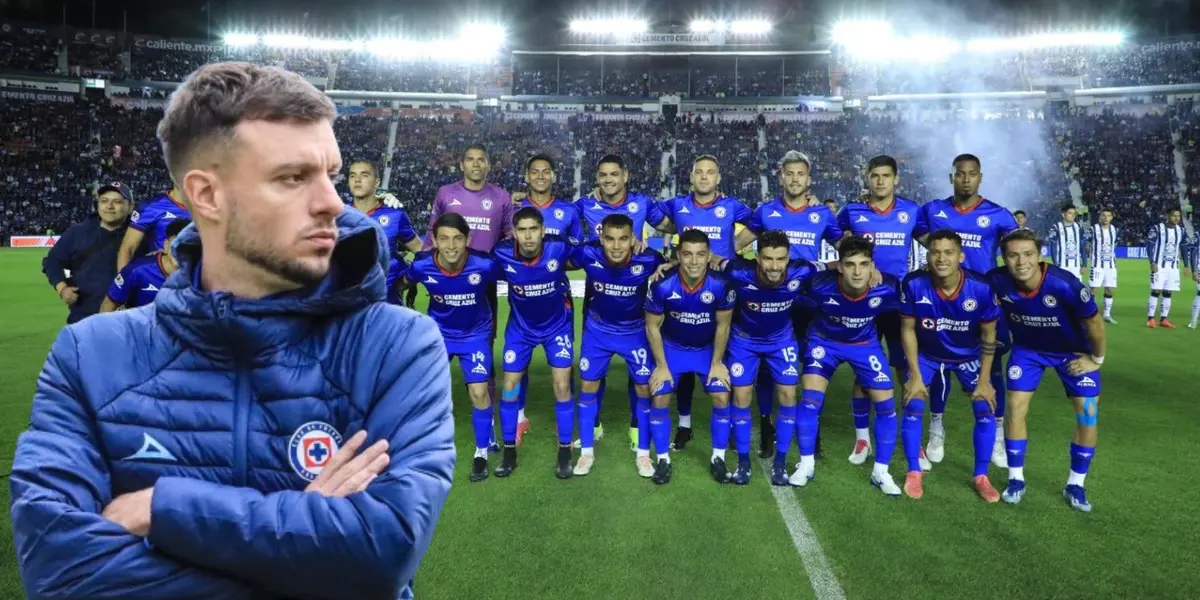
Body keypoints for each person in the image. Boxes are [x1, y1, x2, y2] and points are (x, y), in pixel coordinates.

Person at [11, 62, 454, 599]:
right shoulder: (89, 356)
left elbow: (383, 556)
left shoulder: (397, 345)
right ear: (207, 195)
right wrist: (310, 548)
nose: (333, 204)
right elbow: (62, 575)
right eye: (293, 178)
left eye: (331, 176)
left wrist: (164, 510)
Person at [912, 154, 1018, 469]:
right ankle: (936, 428)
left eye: (972, 174)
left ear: (980, 178)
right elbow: (919, 235)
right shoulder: (933, 210)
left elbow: (1014, 251)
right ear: (952, 177)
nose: (966, 179)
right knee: (940, 362)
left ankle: (997, 432)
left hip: (984, 305)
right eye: (960, 174)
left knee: (993, 366)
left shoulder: (998, 215)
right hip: (943, 301)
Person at [987, 229, 1105, 512]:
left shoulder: (1065, 285)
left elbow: (1095, 323)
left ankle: (1076, 484)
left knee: (1088, 413)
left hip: (1073, 353)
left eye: (1028, 254)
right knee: (1015, 407)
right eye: (1013, 255)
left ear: (1040, 256)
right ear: (1004, 258)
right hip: (1029, 351)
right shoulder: (996, 281)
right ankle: (1016, 479)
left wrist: (1096, 360)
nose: (1021, 262)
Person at [735, 151, 842, 457]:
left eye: (800, 174)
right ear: (781, 177)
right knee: (770, 367)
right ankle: (767, 426)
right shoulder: (766, 211)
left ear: (808, 179)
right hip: (771, 301)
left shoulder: (821, 214)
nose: (795, 179)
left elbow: (844, 247)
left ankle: (811, 427)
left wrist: (862, 262)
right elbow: (738, 244)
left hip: (808, 302)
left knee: (812, 364)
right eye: (789, 173)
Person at [653, 155, 751, 452]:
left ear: (718, 178)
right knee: (683, 358)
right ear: (691, 177)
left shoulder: (731, 206)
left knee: (730, 358)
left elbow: (758, 224)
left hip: (722, 291)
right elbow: (655, 218)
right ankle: (684, 425)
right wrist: (674, 259)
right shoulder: (676, 205)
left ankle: (734, 424)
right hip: (685, 289)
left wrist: (733, 249)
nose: (704, 177)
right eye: (699, 172)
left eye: (710, 172)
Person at [899, 230, 1002, 502]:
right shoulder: (914, 284)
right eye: (935, 252)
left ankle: (981, 476)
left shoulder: (980, 288)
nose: (941, 258)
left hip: (968, 356)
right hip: (928, 355)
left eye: (948, 252)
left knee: (984, 407)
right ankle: (913, 470)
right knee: (913, 401)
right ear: (928, 255)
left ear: (961, 256)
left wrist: (984, 380)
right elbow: (907, 330)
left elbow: (990, 336)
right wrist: (915, 376)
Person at [796, 236, 903, 496]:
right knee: (810, 400)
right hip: (825, 342)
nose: (857, 271)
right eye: (850, 264)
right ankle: (806, 464)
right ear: (839, 266)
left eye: (864, 264)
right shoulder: (819, 285)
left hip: (864, 343)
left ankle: (881, 472)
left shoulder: (887, 287)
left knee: (886, 405)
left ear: (872, 266)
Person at [835, 155, 920, 466]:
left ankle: (913, 437)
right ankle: (862, 438)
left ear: (896, 178)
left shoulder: (911, 211)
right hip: (862, 302)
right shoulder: (852, 211)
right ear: (867, 179)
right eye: (875, 176)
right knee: (864, 368)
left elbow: (930, 240)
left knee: (904, 369)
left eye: (886, 175)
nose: (880, 181)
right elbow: (835, 239)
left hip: (897, 303)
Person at [403, 212, 499, 483]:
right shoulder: (422, 265)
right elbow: (403, 281)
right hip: (439, 334)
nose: (451, 246)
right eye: (444, 239)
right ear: (433, 240)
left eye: (458, 238)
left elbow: (517, 275)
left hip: (475, 335)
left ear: (468, 239)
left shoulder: (484, 264)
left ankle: (482, 450)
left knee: (479, 391)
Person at [721, 230, 822, 486]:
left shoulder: (803, 271)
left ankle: (780, 461)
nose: (775, 266)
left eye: (781, 259)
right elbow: (706, 263)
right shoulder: (737, 272)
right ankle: (743, 462)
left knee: (789, 395)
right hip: (744, 341)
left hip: (781, 341)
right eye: (768, 259)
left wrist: (874, 270)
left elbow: (835, 268)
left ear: (789, 257)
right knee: (741, 396)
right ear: (757, 257)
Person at [574, 154, 662, 451]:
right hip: (597, 293)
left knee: (637, 369)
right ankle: (593, 424)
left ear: (625, 176)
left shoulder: (643, 204)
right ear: (596, 178)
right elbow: (553, 216)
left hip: (632, 293)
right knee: (592, 371)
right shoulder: (585, 206)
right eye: (603, 175)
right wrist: (522, 201)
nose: (609, 180)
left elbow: (676, 225)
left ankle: (637, 426)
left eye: (614, 174)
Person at [570, 213, 666, 476]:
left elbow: (675, 267)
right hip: (598, 330)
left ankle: (644, 454)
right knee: (588, 384)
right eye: (609, 239)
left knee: (645, 388)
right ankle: (586, 453)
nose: (615, 246)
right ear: (601, 238)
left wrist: (665, 267)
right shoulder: (588, 255)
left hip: (635, 332)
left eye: (623, 239)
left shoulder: (648, 259)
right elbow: (557, 259)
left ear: (633, 239)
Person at [492, 207, 577, 479]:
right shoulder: (501, 253)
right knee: (508, 387)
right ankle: (509, 453)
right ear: (514, 233)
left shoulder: (559, 247)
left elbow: (600, 253)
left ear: (542, 231)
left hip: (557, 327)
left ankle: (565, 452)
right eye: (522, 230)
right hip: (521, 330)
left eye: (533, 230)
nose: (528, 236)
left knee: (562, 385)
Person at [644, 229, 735, 485]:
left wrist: (717, 363)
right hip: (673, 349)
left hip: (706, 350)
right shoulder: (662, 285)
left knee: (721, 394)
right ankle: (663, 459)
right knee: (660, 394)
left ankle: (718, 457)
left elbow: (723, 326)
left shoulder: (720, 284)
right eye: (687, 255)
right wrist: (661, 366)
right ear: (678, 256)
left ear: (709, 257)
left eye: (700, 255)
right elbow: (651, 326)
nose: (694, 262)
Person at [512, 153, 583, 444]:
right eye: (534, 172)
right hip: (523, 301)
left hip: (557, 299)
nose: (540, 176)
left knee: (563, 364)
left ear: (553, 176)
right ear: (527, 177)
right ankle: (518, 417)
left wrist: (551, 263)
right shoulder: (513, 207)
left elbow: (576, 255)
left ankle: (564, 421)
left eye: (546, 172)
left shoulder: (568, 211)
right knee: (518, 364)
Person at [42, 181, 132, 324]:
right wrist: (62, 288)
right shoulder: (77, 233)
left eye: (117, 202)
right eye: (104, 201)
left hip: (130, 319)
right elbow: (52, 261)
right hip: (84, 318)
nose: (109, 206)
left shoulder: (141, 235)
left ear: (130, 207)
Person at [347, 160, 422, 304]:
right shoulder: (338, 216)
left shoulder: (395, 214)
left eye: (364, 175)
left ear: (377, 182)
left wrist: (409, 278)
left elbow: (421, 250)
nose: (357, 180)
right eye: (352, 176)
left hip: (388, 312)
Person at [100, 218, 189, 312]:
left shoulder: (203, 277)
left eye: (188, 246)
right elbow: (108, 305)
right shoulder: (137, 270)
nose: (180, 251)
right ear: (166, 245)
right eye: (176, 243)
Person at [116, 184, 189, 271]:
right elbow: (128, 248)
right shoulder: (151, 206)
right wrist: (125, 281)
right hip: (159, 277)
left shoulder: (208, 207)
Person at [1146, 207, 1186, 329]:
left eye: (1178, 216)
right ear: (1167, 216)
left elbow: (1183, 247)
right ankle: (1151, 319)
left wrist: (1186, 265)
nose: (1176, 218)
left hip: (1173, 267)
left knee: (1168, 292)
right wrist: (1152, 262)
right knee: (1156, 291)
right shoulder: (1157, 228)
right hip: (1159, 266)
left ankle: (1164, 319)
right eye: (1174, 215)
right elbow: (1149, 245)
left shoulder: (1181, 230)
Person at [1088, 207, 1120, 324]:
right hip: (1097, 265)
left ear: (1111, 217)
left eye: (1108, 216)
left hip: (1111, 265)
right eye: (1103, 215)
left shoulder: (1114, 230)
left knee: (1109, 289)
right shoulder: (1093, 229)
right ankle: (1089, 313)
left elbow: (1116, 243)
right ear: (1099, 217)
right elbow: (1085, 242)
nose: (1106, 218)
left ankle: (1107, 315)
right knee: (1093, 289)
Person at [1048, 203, 1086, 282]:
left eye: (1074, 213)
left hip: (1076, 267)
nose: (1073, 215)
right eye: (1070, 213)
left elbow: (1082, 246)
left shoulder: (1079, 227)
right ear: (1063, 214)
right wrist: (1055, 265)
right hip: (1062, 266)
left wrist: (1084, 264)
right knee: (1062, 291)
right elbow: (1053, 248)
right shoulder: (1056, 227)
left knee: (1076, 291)